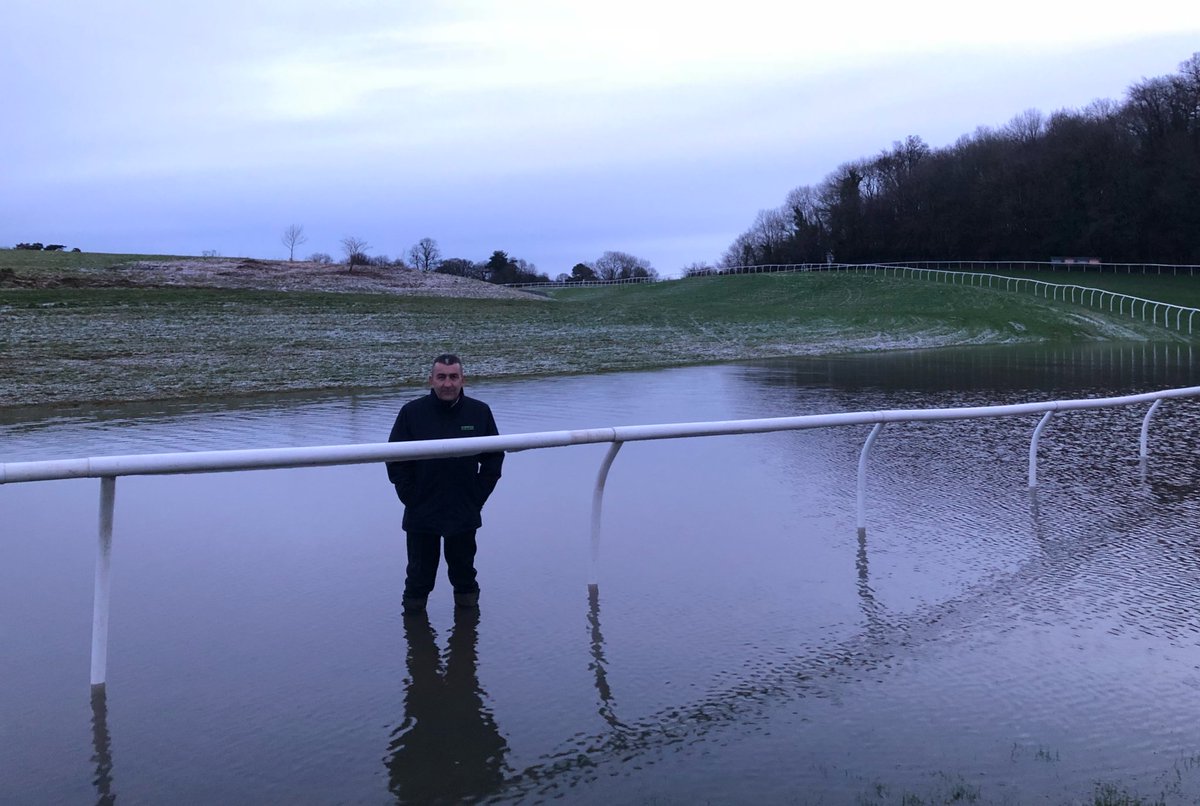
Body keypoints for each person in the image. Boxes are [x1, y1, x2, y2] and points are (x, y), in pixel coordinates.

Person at [386, 353, 503, 615]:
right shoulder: (411, 412)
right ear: (431, 380)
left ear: (463, 380)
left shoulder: (479, 412)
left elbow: (494, 458)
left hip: (464, 510)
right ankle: (415, 630)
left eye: (453, 377)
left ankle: (465, 642)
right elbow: (394, 459)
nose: (447, 384)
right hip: (421, 511)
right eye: (441, 377)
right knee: (418, 579)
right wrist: (411, 497)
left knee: (464, 575)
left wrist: (476, 496)